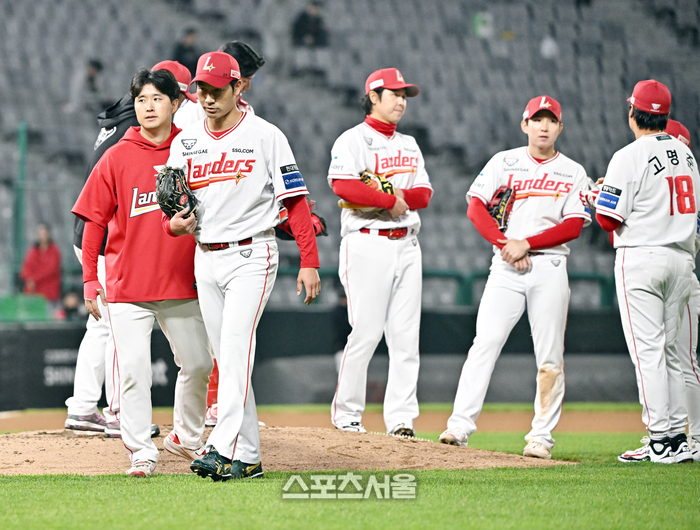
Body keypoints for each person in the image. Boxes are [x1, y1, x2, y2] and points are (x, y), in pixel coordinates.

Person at [167, 50, 321, 481]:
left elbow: (296, 202)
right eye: (202, 89)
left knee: (235, 350)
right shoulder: (185, 141)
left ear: (238, 87)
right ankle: (248, 457)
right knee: (228, 358)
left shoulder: (265, 135)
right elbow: (171, 204)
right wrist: (171, 225)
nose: (208, 98)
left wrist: (309, 260)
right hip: (205, 255)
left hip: (252, 254)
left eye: (217, 90)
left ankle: (220, 446)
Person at [71, 68, 213, 477]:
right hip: (127, 286)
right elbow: (93, 222)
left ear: (176, 103)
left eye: (156, 98)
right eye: (140, 100)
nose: (148, 107)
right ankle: (140, 450)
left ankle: (186, 437)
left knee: (199, 364)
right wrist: (90, 279)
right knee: (133, 372)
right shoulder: (117, 155)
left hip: (181, 283)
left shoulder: (191, 150)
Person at [440, 95, 591, 459]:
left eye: (550, 120)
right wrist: (506, 244)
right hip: (506, 265)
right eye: (537, 119)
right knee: (485, 343)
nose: (543, 126)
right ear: (525, 124)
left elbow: (574, 225)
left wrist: (526, 244)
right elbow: (475, 207)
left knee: (550, 356)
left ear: (560, 127)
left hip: (549, 266)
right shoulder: (503, 161)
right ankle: (459, 426)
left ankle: (541, 437)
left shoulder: (573, 171)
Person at [595, 80, 698, 464]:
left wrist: (595, 199)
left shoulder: (628, 155)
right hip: (682, 260)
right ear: (665, 115)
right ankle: (676, 438)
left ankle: (659, 439)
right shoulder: (687, 155)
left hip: (642, 259)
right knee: (670, 352)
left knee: (648, 353)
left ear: (632, 113)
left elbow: (608, 220)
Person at [328, 68, 433, 438]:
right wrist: (390, 200)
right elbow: (343, 186)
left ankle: (401, 419)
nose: (402, 101)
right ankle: (347, 415)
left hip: (408, 243)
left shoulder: (409, 144)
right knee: (366, 332)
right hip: (367, 241)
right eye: (394, 94)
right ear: (373, 96)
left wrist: (390, 197)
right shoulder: (352, 140)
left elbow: (424, 194)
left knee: (406, 338)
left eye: (405, 95)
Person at [20, 223, 62, 310]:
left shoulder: (54, 250)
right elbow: (26, 268)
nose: (42, 236)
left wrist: (34, 279)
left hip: (48, 294)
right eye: (40, 233)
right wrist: (29, 279)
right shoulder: (33, 251)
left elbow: (50, 270)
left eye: (44, 233)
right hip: (33, 293)